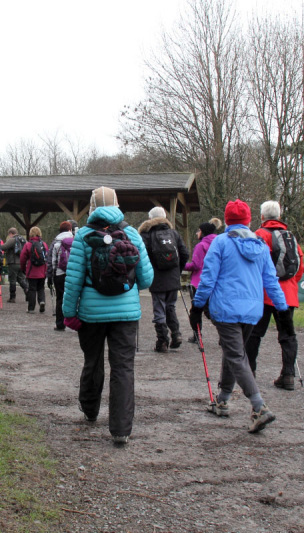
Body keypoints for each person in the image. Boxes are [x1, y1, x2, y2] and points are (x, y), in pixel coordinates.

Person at [62, 186, 154, 445]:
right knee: (123, 368)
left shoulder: (82, 237)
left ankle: (90, 410)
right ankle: (121, 430)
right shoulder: (133, 234)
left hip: (91, 313)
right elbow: (146, 279)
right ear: (117, 204)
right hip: (125, 314)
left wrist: (69, 313)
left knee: (93, 361)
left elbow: (74, 280)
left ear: (91, 206)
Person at [189, 199, 287, 433]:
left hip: (226, 309)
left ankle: (259, 407)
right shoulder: (261, 245)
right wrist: (282, 308)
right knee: (234, 353)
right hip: (252, 311)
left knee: (235, 355)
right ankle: (222, 399)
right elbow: (271, 281)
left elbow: (208, 278)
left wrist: (197, 307)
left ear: (227, 221)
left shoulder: (221, 243)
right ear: (248, 220)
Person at [244, 201, 304, 390]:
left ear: (262, 217)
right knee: (287, 336)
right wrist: (290, 284)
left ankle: (250, 373)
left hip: (263, 294)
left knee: (254, 334)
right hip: (287, 294)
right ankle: (288, 375)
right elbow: (299, 265)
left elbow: (253, 265)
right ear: (279, 216)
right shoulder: (290, 236)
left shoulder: (259, 235)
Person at [139, 206, 190, 352]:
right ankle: (176, 334)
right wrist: (177, 271)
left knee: (159, 309)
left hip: (157, 277)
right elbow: (185, 254)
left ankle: (162, 341)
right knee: (171, 306)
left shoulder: (146, 235)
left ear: (151, 219)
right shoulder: (174, 233)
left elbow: (142, 257)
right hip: (173, 277)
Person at [183, 218, 222, 343]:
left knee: (196, 311)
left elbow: (196, 265)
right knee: (213, 310)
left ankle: (197, 335)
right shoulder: (220, 243)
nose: (196, 233)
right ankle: (223, 334)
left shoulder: (201, 246)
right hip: (217, 282)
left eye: (198, 231)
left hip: (199, 282)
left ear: (203, 232)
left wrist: (181, 265)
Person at [48, 221, 75, 330]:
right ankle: (76, 323)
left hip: (59, 274)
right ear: (70, 229)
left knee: (60, 299)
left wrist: (50, 275)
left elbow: (52, 261)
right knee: (74, 298)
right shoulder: (76, 241)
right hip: (72, 274)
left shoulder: (55, 242)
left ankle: (60, 324)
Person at [20, 226, 48, 314]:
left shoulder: (28, 244)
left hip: (32, 271)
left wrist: (23, 268)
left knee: (32, 289)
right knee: (41, 288)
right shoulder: (44, 244)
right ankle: (42, 301)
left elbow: (22, 258)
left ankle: (31, 308)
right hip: (42, 271)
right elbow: (47, 257)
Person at [0, 227, 28, 303]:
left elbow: (4, 247)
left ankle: (12, 297)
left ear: (10, 233)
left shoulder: (12, 240)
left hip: (13, 262)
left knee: (12, 280)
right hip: (22, 263)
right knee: (21, 279)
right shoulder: (23, 239)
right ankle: (27, 290)